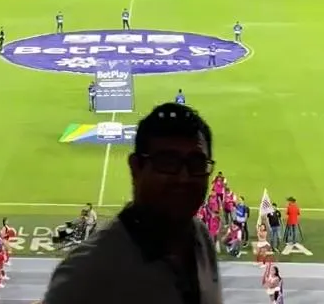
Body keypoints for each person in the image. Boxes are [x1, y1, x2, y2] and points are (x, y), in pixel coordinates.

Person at [40, 102, 224, 304]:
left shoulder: (201, 240)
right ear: (136, 167)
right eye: (167, 162)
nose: (183, 177)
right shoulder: (86, 274)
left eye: (196, 164)